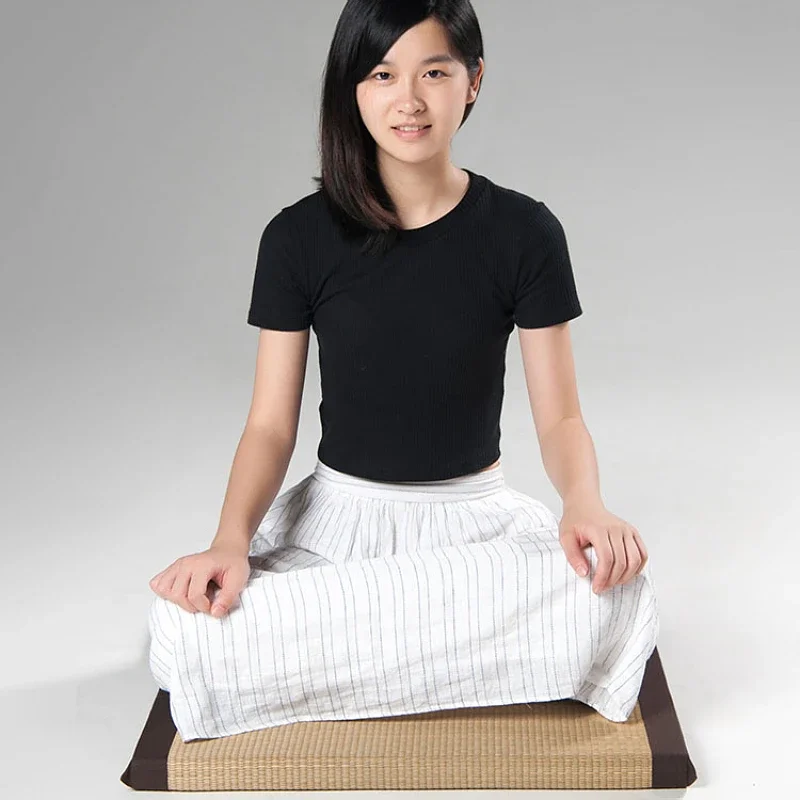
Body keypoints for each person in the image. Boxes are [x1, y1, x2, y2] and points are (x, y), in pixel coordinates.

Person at [147, 0, 658, 743]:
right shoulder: (296, 237)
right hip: (340, 525)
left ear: (473, 81)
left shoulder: (525, 232)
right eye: (383, 75)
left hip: (475, 528)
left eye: (434, 73)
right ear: (352, 88)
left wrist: (585, 505)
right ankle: (445, 660)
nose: (409, 100)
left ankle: (360, 660)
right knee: (187, 627)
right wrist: (230, 540)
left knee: (616, 593)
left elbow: (560, 418)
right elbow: (269, 425)